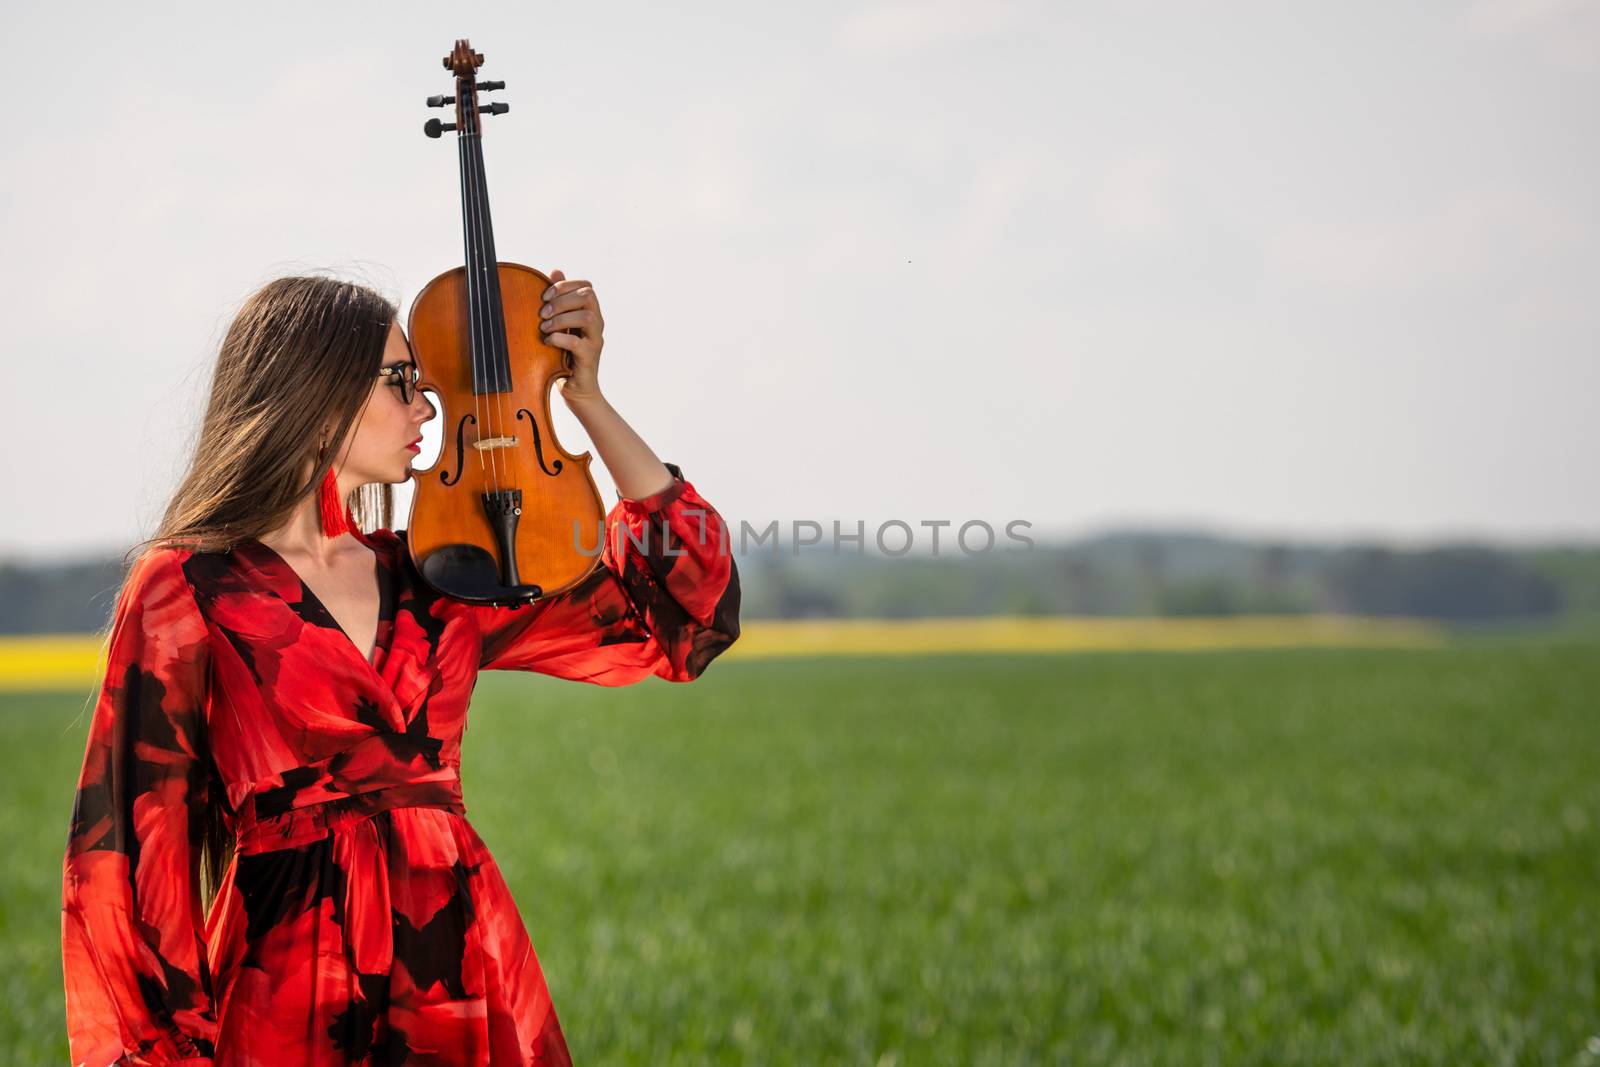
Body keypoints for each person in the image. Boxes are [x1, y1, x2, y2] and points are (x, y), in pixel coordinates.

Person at [60, 272, 741, 1066]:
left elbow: (685, 613)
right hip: (287, 995)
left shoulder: (443, 576)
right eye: (401, 381)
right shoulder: (186, 587)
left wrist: (582, 397)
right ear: (317, 392)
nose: (428, 407)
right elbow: (128, 859)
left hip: (459, 977)